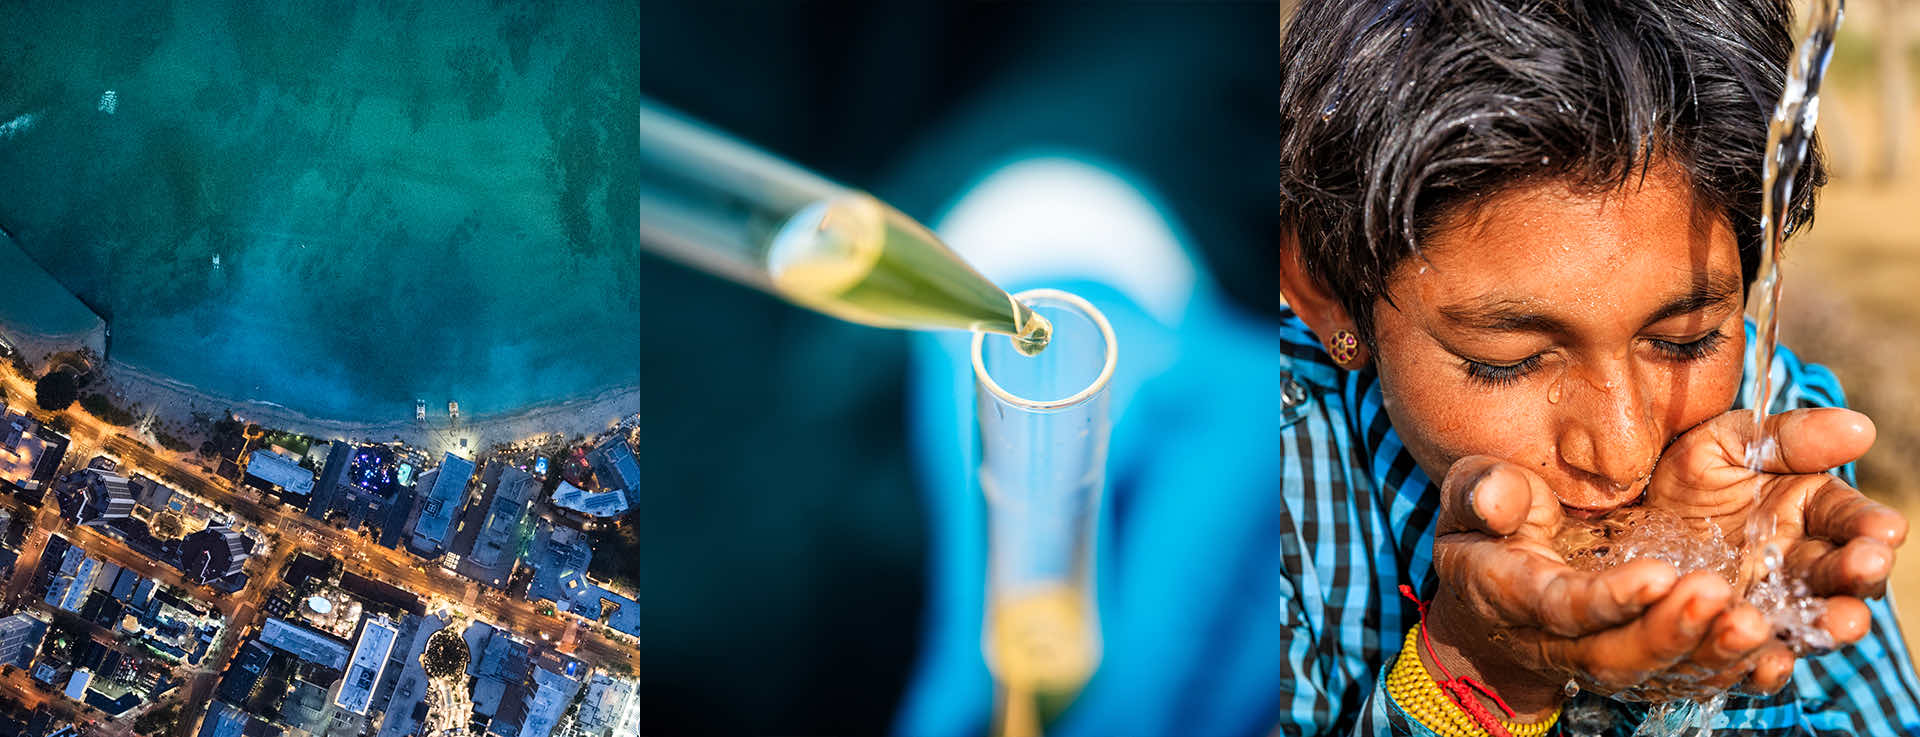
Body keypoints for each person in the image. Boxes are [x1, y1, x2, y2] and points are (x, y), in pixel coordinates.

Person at [1276, 0, 1920, 735]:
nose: (1621, 454)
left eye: (1684, 341)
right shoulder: (1267, 480)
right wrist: (1484, 667)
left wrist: (1692, 659)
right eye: (1507, 361)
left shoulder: (1765, 454)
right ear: (1326, 291)